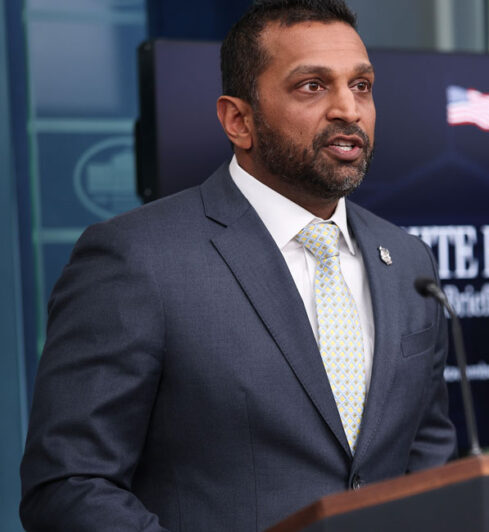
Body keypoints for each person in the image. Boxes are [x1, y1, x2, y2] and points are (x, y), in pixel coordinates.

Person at [20, 1, 456, 530]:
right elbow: (68, 485)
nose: (349, 109)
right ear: (238, 119)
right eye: (312, 86)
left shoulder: (407, 258)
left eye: (361, 85)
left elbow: (430, 457)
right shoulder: (136, 259)